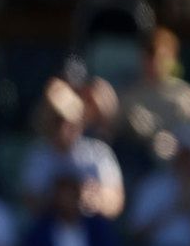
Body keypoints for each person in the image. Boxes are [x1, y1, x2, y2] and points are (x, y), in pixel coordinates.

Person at [21, 78, 125, 219]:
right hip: (52, 228)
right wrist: (63, 199)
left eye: (70, 122)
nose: (64, 128)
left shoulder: (98, 153)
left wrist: (98, 199)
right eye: (58, 120)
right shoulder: (38, 155)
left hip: (91, 228)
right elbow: (29, 201)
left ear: (81, 122)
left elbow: (116, 202)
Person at [119, 28, 190, 160]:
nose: (155, 62)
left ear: (173, 59)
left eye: (161, 57)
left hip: (180, 167)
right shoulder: (129, 96)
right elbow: (115, 134)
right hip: (141, 165)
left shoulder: (186, 95)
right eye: (150, 55)